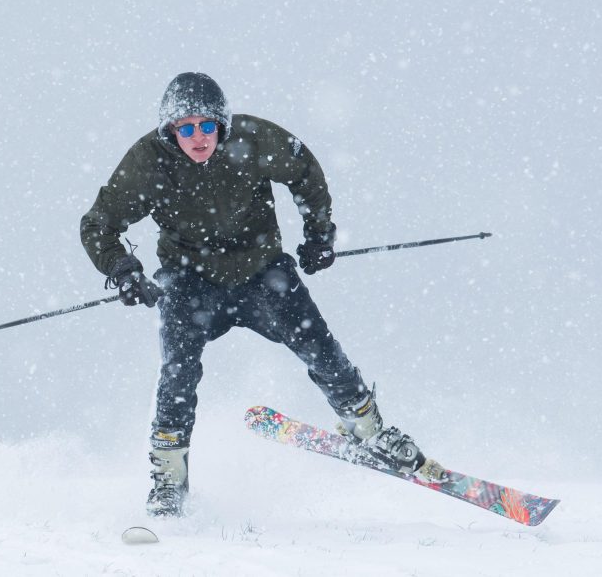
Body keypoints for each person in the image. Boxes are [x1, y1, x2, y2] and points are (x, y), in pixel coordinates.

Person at [80, 72, 426, 518]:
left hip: (261, 271)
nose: (198, 136)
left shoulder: (254, 139)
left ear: (222, 125)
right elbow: (99, 222)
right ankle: (168, 477)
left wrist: (319, 235)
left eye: (208, 126)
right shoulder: (149, 162)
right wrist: (122, 269)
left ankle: (368, 429)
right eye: (186, 128)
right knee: (178, 373)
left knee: (319, 347)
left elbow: (305, 170)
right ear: (170, 131)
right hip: (189, 279)